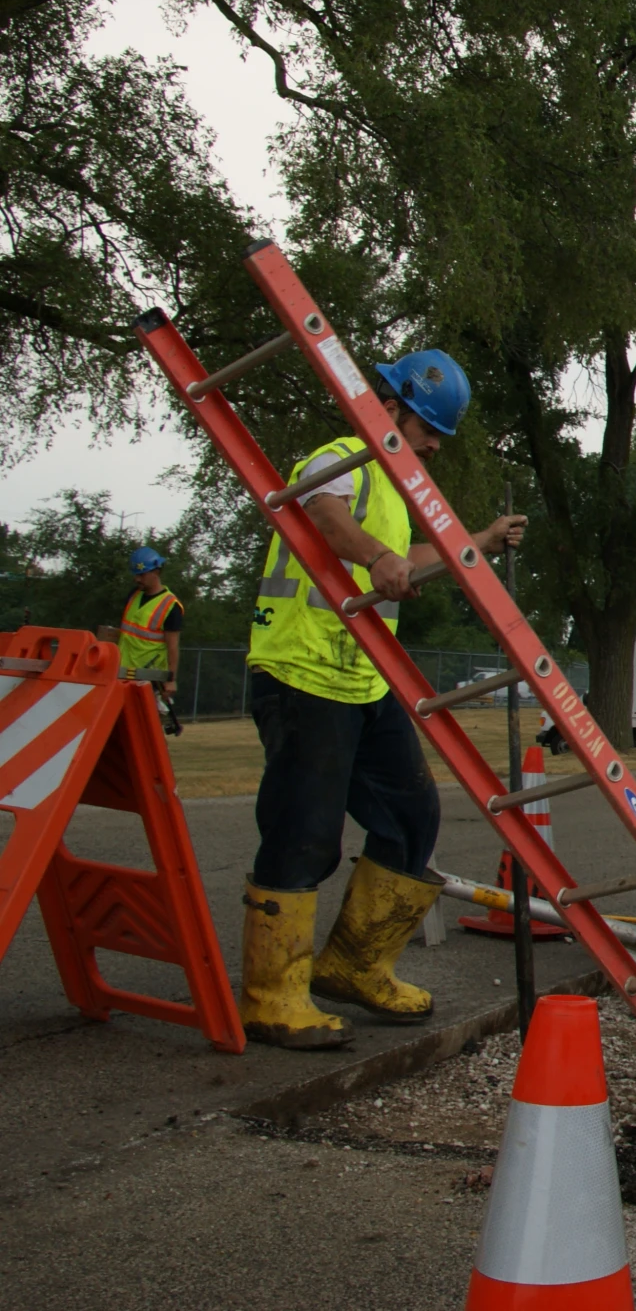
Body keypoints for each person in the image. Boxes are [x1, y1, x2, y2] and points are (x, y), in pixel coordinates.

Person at [240, 349, 527, 1050]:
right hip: (301, 673)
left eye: (437, 435)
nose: (431, 444)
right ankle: (273, 994)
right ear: (389, 405)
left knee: (410, 818)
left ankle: (355, 966)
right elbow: (329, 519)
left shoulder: (397, 493)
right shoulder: (337, 457)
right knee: (304, 831)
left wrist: (479, 541)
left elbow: (411, 561)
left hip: (366, 681)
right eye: (427, 428)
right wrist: (375, 556)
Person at [105, 546, 182, 727]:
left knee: (145, 729)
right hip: (122, 673)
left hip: (148, 678)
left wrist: (171, 680)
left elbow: (173, 647)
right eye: (136, 574)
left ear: (156, 571)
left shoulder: (171, 606)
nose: (137, 579)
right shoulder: (133, 595)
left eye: (142, 574)